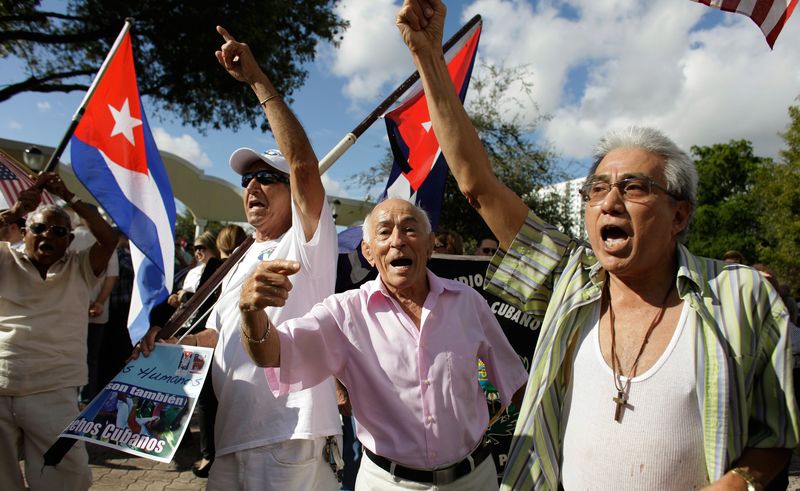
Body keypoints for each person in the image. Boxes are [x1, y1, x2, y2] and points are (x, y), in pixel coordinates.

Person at [395, 1, 799, 489]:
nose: (609, 202)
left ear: (679, 214)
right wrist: (429, 59)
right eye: (597, 189)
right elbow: (476, 184)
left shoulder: (740, 295)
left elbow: (777, 432)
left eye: (633, 188)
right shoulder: (570, 278)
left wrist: (736, 483)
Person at [134, 26, 341, 490]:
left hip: (289, 436)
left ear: (294, 194)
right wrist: (167, 350)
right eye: (248, 179)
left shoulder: (308, 242)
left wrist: (257, 82)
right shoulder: (241, 258)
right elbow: (221, 333)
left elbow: (305, 167)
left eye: (269, 177)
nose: (253, 186)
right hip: (232, 435)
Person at [239, 198, 528, 490]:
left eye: (409, 229)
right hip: (387, 483)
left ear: (429, 246)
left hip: (474, 480)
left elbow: (516, 385)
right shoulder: (344, 313)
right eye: (384, 232)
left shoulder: (468, 303)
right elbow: (272, 354)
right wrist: (251, 313)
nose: (398, 241)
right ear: (368, 252)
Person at [0, 173, 118, 491]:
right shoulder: (4, 258)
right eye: (38, 228)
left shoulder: (80, 267)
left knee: (66, 477)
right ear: (24, 232)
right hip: (2, 383)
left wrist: (68, 196)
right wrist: (11, 213)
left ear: (69, 240)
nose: (46, 236)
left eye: (58, 231)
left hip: (54, 390)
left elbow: (109, 239)